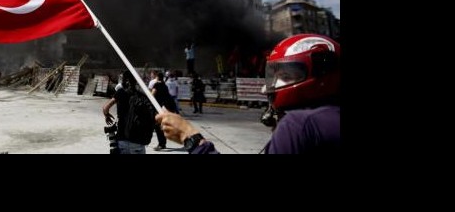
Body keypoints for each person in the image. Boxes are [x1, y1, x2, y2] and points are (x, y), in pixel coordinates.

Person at [155, 34, 341, 154]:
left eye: (285, 75)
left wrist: (189, 136)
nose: (268, 87)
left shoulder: (299, 126)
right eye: (273, 75)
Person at [102, 70, 154, 154]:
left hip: (122, 139)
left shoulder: (120, 92)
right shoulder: (141, 96)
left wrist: (107, 115)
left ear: (124, 80)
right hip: (138, 140)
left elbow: (105, 108)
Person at [150, 71, 177, 150]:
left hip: (159, 108)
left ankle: (161, 144)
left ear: (157, 77)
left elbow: (152, 95)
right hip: (165, 107)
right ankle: (162, 143)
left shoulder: (156, 85)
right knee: (160, 126)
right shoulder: (164, 85)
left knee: (158, 127)